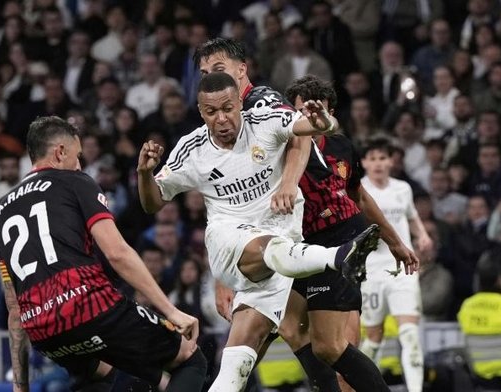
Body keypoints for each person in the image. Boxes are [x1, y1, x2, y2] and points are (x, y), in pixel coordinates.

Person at [138, 72, 391, 391]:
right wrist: (144, 175)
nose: (221, 118)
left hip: (280, 258)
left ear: (239, 104)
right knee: (269, 247)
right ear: (201, 113)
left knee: (238, 364)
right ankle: (338, 257)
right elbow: (152, 203)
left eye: (228, 108)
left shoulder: (265, 121)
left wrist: (321, 119)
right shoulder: (192, 150)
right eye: (211, 112)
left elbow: (310, 128)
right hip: (229, 243)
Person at [0, 116, 206, 392]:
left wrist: (20, 385)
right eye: (77, 155)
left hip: (42, 330)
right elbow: (117, 253)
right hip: (88, 308)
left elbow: (14, 306)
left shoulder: (2, 209)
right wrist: (171, 311)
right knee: (190, 357)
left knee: (108, 373)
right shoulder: (74, 181)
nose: (80, 164)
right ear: (60, 152)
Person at [276, 76, 419, 392]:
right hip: (303, 248)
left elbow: (361, 197)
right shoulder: (280, 151)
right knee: (289, 326)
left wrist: (395, 242)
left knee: (332, 346)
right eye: (300, 111)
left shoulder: (341, 147)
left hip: (343, 243)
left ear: (330, 112)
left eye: (317, 110)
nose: (309, 117)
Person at [193, 37, 312, 325]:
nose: (213, 78)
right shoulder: (222, 124)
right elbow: (225, 202)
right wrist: (224, 274)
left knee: (303, 334)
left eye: (219, 68)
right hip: (267, 232)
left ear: (242, 70)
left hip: (304, 220)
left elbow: (302, 133)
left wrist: (288, 184)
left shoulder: (261, 101)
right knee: (294, 331)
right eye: (205, 74)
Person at [357, 137, 432, 392]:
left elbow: (411, 215)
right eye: (373, 158)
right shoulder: (359, 190)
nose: (378, 163)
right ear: (364, 162)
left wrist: (422, 234)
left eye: (382, 158)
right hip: (372, 271)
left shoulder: (403, 189)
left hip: (403, 269)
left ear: (391, 161)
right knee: (374, 338)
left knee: (410, 334)